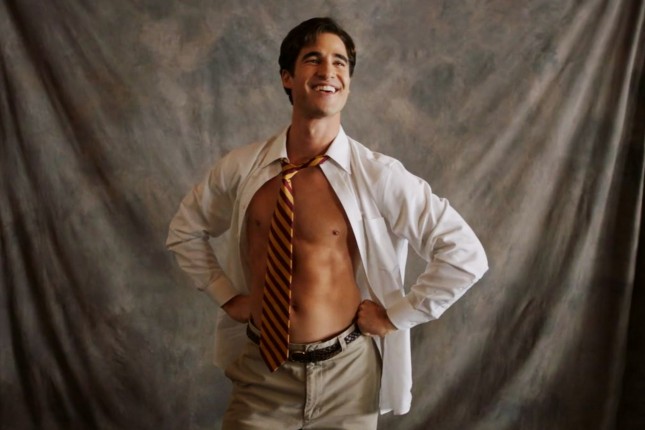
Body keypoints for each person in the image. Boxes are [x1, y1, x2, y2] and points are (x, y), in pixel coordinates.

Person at [166, 17, 488, 430]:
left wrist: (396, 316)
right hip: (263, 374)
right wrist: (226, 295)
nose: (328, 71)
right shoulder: (243, 168)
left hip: (348, 378)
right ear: (287, 76)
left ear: (348, 82)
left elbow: (464, 253)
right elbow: (185, 231)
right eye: (313, 59)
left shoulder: (378, 175)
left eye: (340, 62)